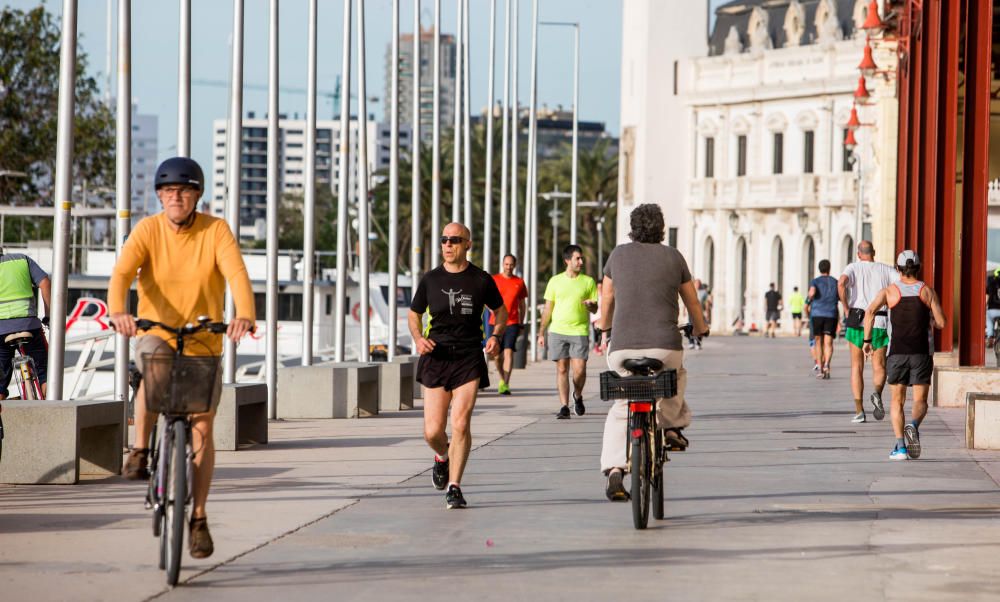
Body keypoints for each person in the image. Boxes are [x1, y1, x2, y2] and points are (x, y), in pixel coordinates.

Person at [108, 157, 256, 559]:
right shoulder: (148, 230)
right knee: (152, 373)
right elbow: (122, 274)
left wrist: (244, 314)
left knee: (202, 428)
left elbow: (236, 273)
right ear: (159, 196)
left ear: (197, 196)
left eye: (185, 191)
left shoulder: (215, 231)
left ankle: (199, 518)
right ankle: (139, 450)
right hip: (156, 330)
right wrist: (118, 310)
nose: (177, 197)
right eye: (169, 191)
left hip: (203, 338)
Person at [595, 204, 709, 500]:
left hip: (622, 349)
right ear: (660, 228)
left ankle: (615, 470)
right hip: (664, 346)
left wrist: (604, 325)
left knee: (622, 406)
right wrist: (700, 328)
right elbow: (693, 303)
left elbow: (606, 299)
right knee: (675, 376)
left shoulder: (617, 255)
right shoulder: (674, 257)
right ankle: (670, 427)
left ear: (632, 228)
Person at [409, 223, 506, 509]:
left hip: (468, 357)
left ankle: (455, 486)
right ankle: (442, 457)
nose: (447, 245)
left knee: (461, 423)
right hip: (436, 356)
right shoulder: (430, 280)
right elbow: (414, 314)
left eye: (454, 240)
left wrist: (496, 336)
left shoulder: (481, 280)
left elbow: (498, 311)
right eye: (444, 240)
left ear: (467, 244)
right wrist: (417, 338)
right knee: (432, 432)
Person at [863, 251, 945, 461]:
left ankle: (900, 448)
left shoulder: (889, 291)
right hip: (921, 353)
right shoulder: (927, 291)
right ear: (918, 267)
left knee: (897, 401)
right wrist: (930, 322)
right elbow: (942, 323)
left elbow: (870, 311)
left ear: (898, 269)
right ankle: (914, 424)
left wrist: (867, 341)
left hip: (897, 352)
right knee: (920, 400)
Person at [838, 241, 899, 424]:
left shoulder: (853, 267)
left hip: (857, 319)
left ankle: (859, 411)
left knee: (856, 367)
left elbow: (841, 283)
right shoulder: (885, 270)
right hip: (879, 320)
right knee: (879, 365)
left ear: (858, 254)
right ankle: (877, 393)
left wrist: (846, 306)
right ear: (874, 252)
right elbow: (901, 284)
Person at [538, 244, 598, 419]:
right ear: (567, 261)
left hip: (579, 331)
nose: (581, 261)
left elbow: (595, 309)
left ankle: (577, 395)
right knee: (562, 369)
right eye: (577, 258)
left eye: (581, 258)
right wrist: (541, 333)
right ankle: (564, 406)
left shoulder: (588, 281)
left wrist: (592, 305)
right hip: (557, 331)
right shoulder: (555, 281)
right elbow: (548, 309)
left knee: (579, 370)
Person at [0, 248, 51, 400]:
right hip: (29, 325)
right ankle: (51, 410)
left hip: (1, 331)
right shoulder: (22, 259)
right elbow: (45, 282)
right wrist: (48, 315)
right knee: (45, 372)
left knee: (0, 382)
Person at [489, 254, 527, 395]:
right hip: (496, 322)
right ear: (502, 264)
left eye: (511, 264)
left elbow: (522, 305)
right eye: (506, 264)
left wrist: (521, 323)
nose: (508, 267)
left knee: (508, 351)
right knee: (497, 356)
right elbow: (487, 300)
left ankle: (506, 383)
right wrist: (492, 310)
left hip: (513, 322)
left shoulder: (519, 282)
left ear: (515, 265)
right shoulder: (494, 280)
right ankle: (502, 378)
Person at [808, 259, 839, 380]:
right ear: (829, 268)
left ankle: (820, 368)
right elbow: (841, 297)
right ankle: (827, 365)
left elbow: (811, 293)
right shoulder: (835, 282)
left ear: (819, 269)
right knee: (828, 342)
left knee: (818, 341)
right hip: (831, 314)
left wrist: (809, 300)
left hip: (817, 314)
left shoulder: (815, 281)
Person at [987, 267, 1000, 348]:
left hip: (992, 309)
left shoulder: (991, 283)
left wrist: (985, 306)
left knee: (989, 319)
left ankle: (990, 336)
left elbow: (987, 296)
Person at [591, 281, 605, 355]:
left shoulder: (604, 295)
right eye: (599, 287)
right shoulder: (594, 295)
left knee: (602, 332)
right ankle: (596, 348)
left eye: (601, 287)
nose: (600, 288)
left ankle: (600, 347)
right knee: (597, 333)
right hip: (595, 317)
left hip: (602, 316)